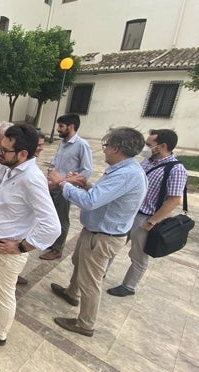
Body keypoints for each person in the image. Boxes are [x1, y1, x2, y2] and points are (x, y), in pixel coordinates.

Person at [47, 127, 147, 337]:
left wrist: (62, 182)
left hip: (103, 237)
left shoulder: (126, 174)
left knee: (90, 281)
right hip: (94, 231)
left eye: (106, 146)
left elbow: (90, 202)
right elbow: (102, 196)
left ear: (117, 149)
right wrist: (85, 184)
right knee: (78, 263)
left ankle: (85, 324)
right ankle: (71, 293)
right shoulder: (123, 170)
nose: (105, 151)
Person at [0, 123, 60, 346]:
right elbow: (6, 200)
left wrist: (21, 247)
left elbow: (52, 226)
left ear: (23, 153)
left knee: (4, 293)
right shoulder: (12, 169)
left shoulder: (31, 179)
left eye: (4, 150)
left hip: (7, 250)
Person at [107, 129, 187, 297]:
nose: (145, 147)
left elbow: (173, 200)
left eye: (149, 144)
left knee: (138, 255)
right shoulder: (147, 162)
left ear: (162, 146)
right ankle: (101, 271)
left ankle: (129, 286)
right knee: (112, 244)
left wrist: (152, 221)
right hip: (130, 212)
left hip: (145, 218)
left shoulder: (176, 169)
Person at [40, 114, 92, 261]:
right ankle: (52, 242)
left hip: (65, 188)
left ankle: (58, 249)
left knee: (61, 218)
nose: (58, 129)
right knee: (51, 215)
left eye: (61, 126)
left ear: (71, 126)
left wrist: (69, 183)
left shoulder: (82, 145)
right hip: (53, 185)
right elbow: (56, 161)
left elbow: (86, 170)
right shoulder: (62, 143)